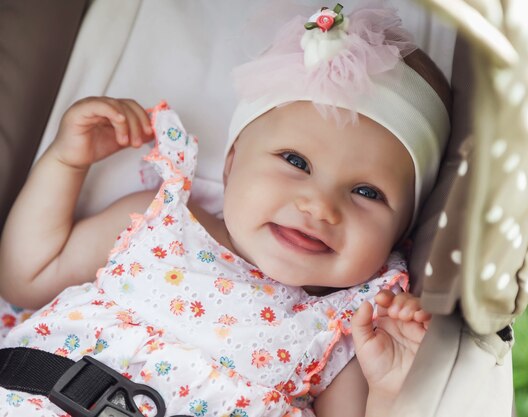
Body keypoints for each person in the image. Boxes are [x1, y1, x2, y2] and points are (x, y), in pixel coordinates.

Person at [0, 3, 450, 417]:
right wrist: (65, 162)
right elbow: (28, 278)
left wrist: (388, 389)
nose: (319, 206)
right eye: (296, 162)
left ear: (400, 232)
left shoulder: (348, 327)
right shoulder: (158, 222)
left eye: (367, 192)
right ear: (232, 164)